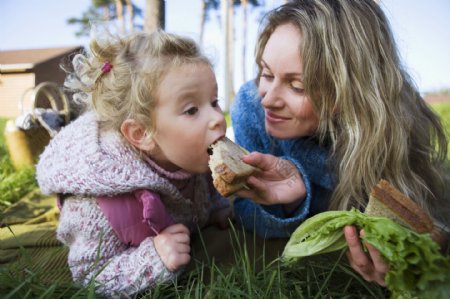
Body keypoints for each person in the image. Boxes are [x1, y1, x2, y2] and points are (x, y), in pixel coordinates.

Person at [231, 0, 450, 287]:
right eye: (266, 73)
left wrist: (404, 258)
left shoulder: (388, 126)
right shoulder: (252, 109)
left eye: (297, 86)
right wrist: (293, 202)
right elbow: (244, 211)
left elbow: (425, 216)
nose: (268, 98)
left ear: (348, 91)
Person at [36, 30, 230, 297]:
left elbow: (204, 187)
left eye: (214, 102)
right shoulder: (94, 206)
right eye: (192, 110)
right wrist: (153, 259)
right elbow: (89, 275)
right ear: (142, 134)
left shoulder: (191, 154)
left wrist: (218, 206)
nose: (218, 118)